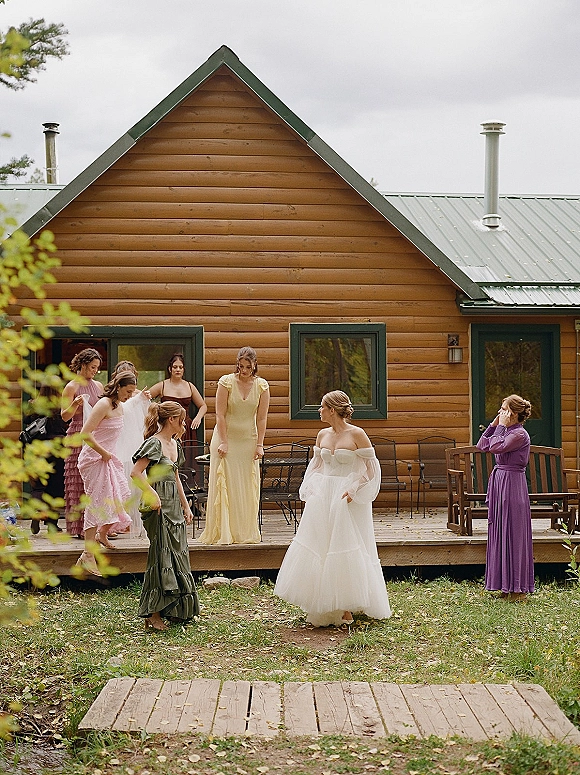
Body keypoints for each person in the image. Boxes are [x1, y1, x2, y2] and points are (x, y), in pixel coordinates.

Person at [274, 390, 391, 627]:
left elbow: (371, 469)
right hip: (324, 495)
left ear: (333, 410)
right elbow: (316, 466)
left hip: (346, 495)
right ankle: (321, 603)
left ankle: (346, 605)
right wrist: (311, 489)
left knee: (344, 546)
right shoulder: (321, 435)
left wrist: (355, 489)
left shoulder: (357, 434)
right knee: (322, 545)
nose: (319, 411)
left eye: (322, 407)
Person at [131, 401, 199, 630]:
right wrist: (151, 494)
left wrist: (186, 505)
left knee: (177, 552)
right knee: (161, 555)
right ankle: (153, 613)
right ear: (172, 420)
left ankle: (175, 608)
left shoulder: (175, 444)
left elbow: (176, 477)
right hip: (158, 505)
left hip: (174, 506)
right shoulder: (154, 444)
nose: (184, 424)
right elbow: (136, 473)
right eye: (182, 419)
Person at [199, 346, 270, 545]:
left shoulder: (262, 386)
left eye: (248, 366)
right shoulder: (226, 382)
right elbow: (219, 414)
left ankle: (243, 533)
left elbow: (262, 418)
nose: (244, 370)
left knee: (246, 486)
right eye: (241, 366)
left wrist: (260, 445)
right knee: (225, 483)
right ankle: (224, 533)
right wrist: (223, 441)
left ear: (255, 365)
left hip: (248, 440)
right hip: (225, 439)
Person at [76, 372, 137, 576]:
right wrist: (103, 453)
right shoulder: (103, 404)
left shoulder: (119, 406)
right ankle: (87, 554)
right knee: (96, 502)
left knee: (117, 496)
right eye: (127, 391)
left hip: (108, 458)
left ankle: (102, 534)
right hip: (93, 459)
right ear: (118, 387)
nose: (129, 395)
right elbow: (85, 433)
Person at [477, 393, 534, 602]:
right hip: (500, 482)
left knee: (514, 534)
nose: (501, 412)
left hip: (512, 484)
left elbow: (496, 447)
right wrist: (493, 425)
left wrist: (500, 427)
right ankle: (505, 586)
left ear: (515, 413)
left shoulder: (519, 434)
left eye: (504, 409)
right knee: (501, 531)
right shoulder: (506, 431)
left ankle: (518, 590)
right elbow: (482, 445)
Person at [61, 348, 103, 537]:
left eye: (97, 368)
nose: (95, 371)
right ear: (83, 365)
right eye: (92, 367)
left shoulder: (99, 386)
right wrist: (75, 404)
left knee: (96, 480)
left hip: (95, 434)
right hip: (77, 433)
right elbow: (64, 416)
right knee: (77, 480)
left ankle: (98, 525)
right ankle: (79, 528)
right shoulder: (71, 387)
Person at [111, 360, 151, 537]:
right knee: (122, 481)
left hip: (134, 439)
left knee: (136, 479)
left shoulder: (137, 396)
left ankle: (137, 519)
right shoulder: (118, 399)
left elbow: (145, 418)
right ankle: (121, 520)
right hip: (120, 441)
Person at [27, 384, 69, 534]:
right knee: (55, 487)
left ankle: (35, 513)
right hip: (57, 450)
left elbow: (27, 423)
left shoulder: (34, 405)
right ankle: (52, 524)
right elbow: (67, 425)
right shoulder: (61, 407)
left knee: (38, 486)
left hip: (38, 450)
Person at [149, 353, 207, 445]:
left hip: (185, 428)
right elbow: (145, 397)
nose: (178, 370)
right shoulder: (162, 386)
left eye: (181, 367)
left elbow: (203, 406)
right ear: (170, 369)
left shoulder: (189, 386)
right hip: (167, 426)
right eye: (175, 367)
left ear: (183, 369)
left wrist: (198, 418)